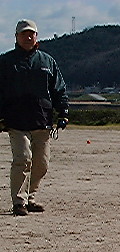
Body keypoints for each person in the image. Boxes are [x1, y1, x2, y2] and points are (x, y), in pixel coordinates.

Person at [0, 19, 69, 216]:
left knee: (42, 164)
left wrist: (63, 112)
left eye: (31, 34)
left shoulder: (47, 62)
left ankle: (31, 197)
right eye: (24, 34)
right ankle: (18, 202)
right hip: (16, 122)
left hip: (42, 121)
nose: (28, 37)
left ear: (36, 36)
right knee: (22, 159)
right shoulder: (5, 62)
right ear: (16, 37)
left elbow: (59, 90)